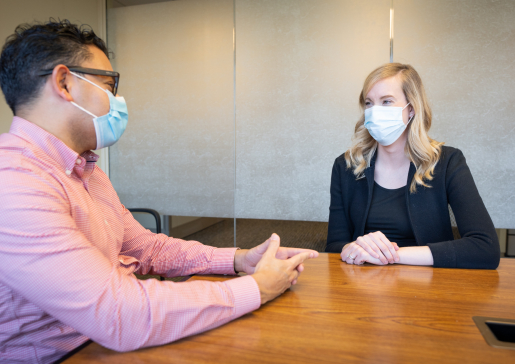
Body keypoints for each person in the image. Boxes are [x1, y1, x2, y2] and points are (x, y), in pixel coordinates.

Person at [0, 20, 318, 363]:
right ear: (64, 82)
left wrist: (239, 259)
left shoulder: (85, 169)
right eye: (109, 86)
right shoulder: (14, 181)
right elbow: (118, 314)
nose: (118, 100)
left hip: (107, 343)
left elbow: (147, 247)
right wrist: (256, 288)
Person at [325, 63, 500, 269]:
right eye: (369, 103)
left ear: (411, 109)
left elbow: (485, 248)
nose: (374, 111)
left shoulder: (447, 162)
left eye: (387, 101)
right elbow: (334, 246)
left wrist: (392, 255)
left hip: (429, 287)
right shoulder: (346, 166)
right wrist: (349, 248)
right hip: (362, 287)